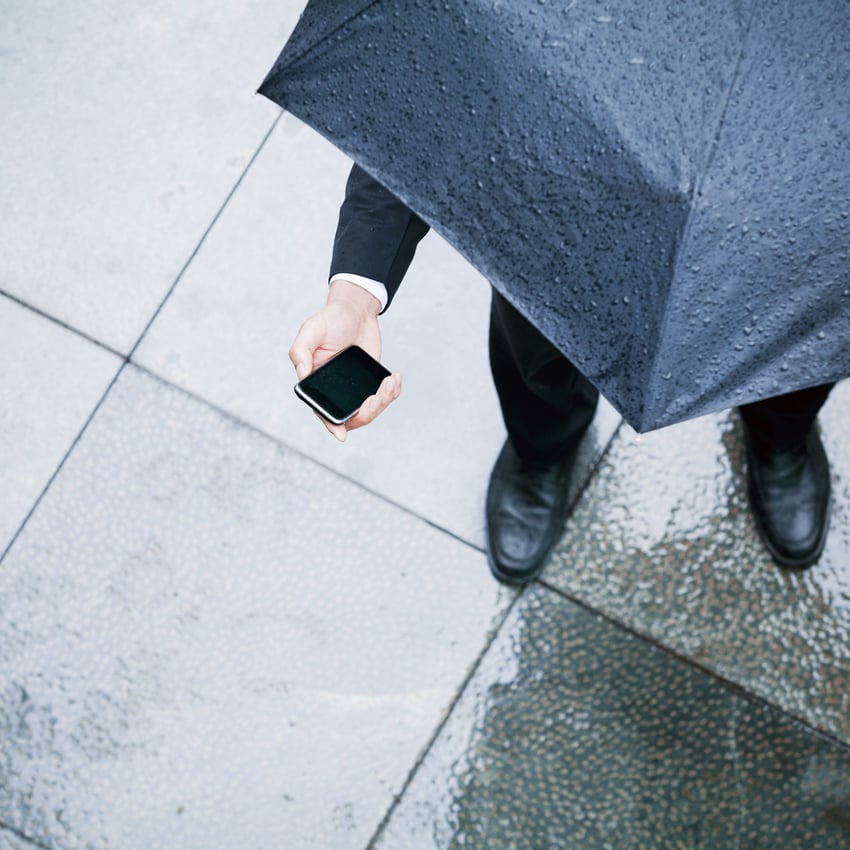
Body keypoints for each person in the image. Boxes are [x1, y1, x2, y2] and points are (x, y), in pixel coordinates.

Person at [290, 164, 834, 584]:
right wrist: (357, 291)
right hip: (566, 202)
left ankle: (781, 432)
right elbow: (418, 79)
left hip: (799, 203)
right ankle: (544, 445)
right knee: (539, 344)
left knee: (802, 324)